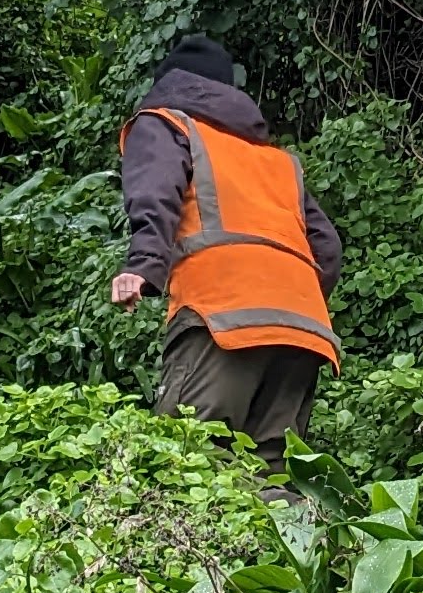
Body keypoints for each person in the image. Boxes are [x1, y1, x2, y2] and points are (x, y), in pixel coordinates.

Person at [112, 32, 343, 462]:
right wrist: (290, 296)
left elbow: (156, 193)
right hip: (303, 327)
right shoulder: (275, 160)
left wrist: (142, 267)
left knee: (187, 460)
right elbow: (327, 248)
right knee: (272, 468)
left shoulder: (164, 123)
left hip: (223, 316)